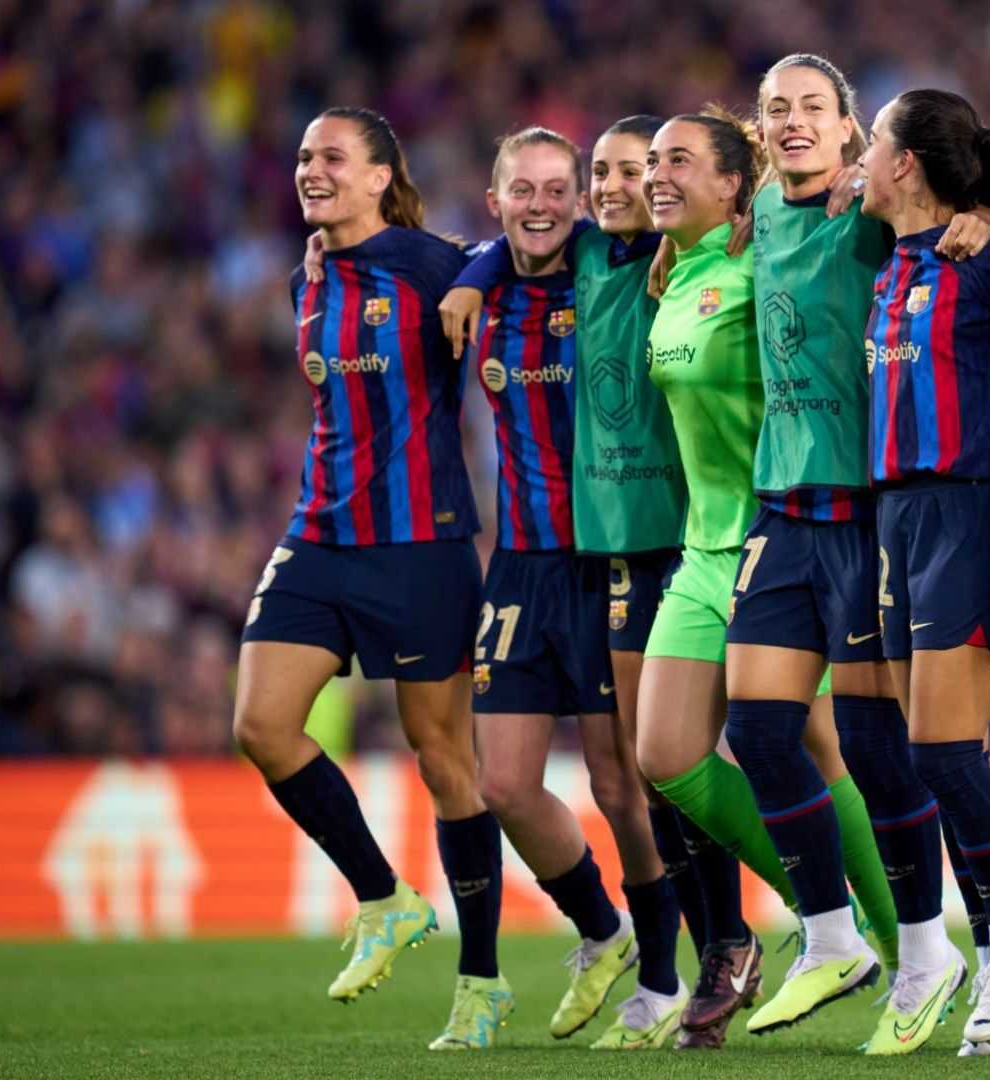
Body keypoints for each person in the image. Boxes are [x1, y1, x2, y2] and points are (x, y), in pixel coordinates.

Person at [718, 54, 990, 1042]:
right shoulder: (759, 211)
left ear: (849, 128)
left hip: (868, 508)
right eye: (775, 108)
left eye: (813, 107)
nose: (792, 121)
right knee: (756, 733)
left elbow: (961, 173)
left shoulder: (870, 213)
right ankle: (834, 939)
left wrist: (984, 213)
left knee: (876, 748)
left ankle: (925, 953)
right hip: (781, 504)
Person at [233, 107, 504, 1051]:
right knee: (261, 725)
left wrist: (477, 278)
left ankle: (481, 983)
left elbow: (506, 249)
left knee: (445, 761)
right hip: (319, 533)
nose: (312, 170)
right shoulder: (305, 279)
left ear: (383, 176)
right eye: (304, 156)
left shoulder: (427, 263)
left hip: (421, 542)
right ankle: (384, 896)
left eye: (333, 157)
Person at [439, 116, 697, 1051]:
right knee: (503, 783)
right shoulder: (478, 283)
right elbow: (430, 256)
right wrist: (473, 271)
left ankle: (663, 979)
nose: (541, 205)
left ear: (581, 200)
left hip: (605, 558)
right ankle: (601, 926)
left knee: (620, 782)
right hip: (517, 564)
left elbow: (667, 223)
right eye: (524, 190)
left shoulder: (611, 262)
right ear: (496, 200)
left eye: (559, 189)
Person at [634, 108, 834, 1049]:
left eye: (676, 160)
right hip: (701, 547)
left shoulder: (766, 256)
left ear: (732, 183)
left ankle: (914, 942)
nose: (652, 175)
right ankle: (838, 919)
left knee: (832, 748)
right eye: (649, 162)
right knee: (664, 757)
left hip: (781, 537)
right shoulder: (670, 272)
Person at [857, 87, 990, 1055]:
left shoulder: (984, 261)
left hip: (966, 508)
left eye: (871, 142)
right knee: (921, 751)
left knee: (942, 752)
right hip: (894, 515)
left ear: (906, 164)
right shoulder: (888, 263)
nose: (859, 157)